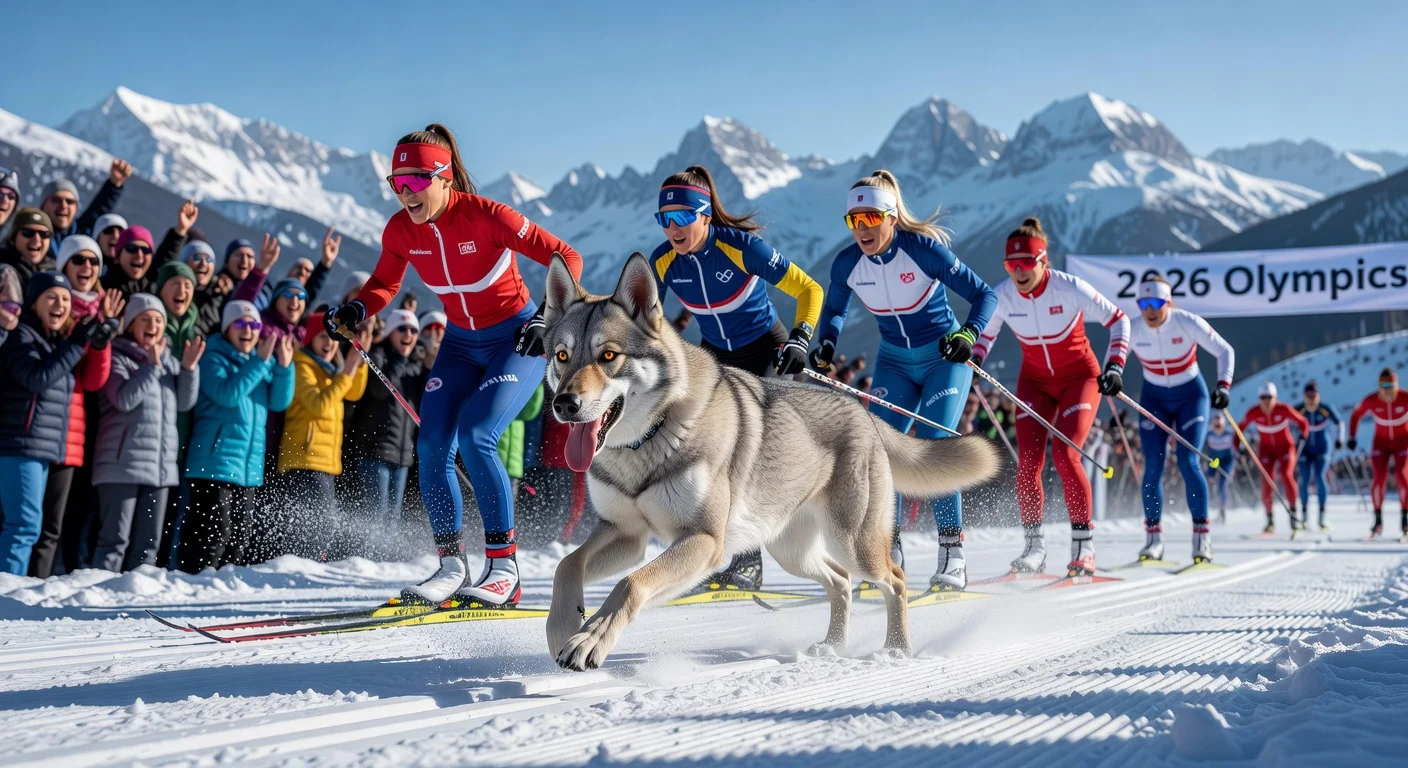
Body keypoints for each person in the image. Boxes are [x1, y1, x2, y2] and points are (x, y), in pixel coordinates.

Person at [324, 123, 582, 607]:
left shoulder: (489, 217)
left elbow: (566, 257)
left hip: (515, 339)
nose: (406, 193)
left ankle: (504, 568)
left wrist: (548, 320)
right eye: (397, 183)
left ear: (444, 179)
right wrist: (359, 308)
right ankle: (449, 565)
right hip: (461, 344)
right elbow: (384, 281)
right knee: (433, 440)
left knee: (477, 434)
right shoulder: (400, 230)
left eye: (417, 181)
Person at [810, 170, 997, 590]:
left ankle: (953, 554)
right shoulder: (847, 263)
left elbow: (986, 294)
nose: (862, 229)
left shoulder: (923, 251)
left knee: (934, 446)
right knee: (881, 451)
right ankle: (885, 554)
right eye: (853, 221)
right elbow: (835, 309)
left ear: (892, 218)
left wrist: (968, 335)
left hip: (942, 358)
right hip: (893, 360)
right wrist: (826, 342)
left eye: (871, 218)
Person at [649, 164, 823, 590]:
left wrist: (801, 340)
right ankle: (732, 556)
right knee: (708, 452)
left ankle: (783, 535)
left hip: (767, 349)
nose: (672, 228)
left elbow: (809, 291)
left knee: (753, 450)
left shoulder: (742, 248)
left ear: (704, 215)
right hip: (717, 359)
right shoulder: (663, 261)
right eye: (663, 219)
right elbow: (644, 320)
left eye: (680, 218)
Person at [972, 217, 1131, 576]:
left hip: (1080, 378)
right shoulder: (1003, 295)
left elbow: (1120, 320)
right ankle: (1034, 548)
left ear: (1043, 261)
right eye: (1011, 265)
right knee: (1028, 463)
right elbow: (986, 334)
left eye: (1026, 263)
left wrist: (1115, 366)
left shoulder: (1069, 287)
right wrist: (975, 360)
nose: (1019, 271)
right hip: (1035, 383)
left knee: (1065, 453)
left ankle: (1083, 549)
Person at [0, 273, 110, 574]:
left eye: (65, 298)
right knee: (22, 527)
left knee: (43, 530)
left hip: (54, 446)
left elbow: (91, 382)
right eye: (51, 296)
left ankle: (26, 597)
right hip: (20, 444)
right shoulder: (21, 335)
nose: (59, 303)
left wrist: (97, 344)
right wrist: (76, 343)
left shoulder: (59, 341)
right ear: (34, 303)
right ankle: (6, 596)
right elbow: (37, 378)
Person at [28, 237, 121, 577]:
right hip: (36, 425)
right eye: (78, 260)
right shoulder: (52, 311)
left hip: (79, 428)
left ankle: (51, 578)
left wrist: (102, 343)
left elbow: (94, 381)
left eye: (93, 262)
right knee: (26, 520)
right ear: (64, 266)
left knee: (60, 517)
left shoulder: (103, 312)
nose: (86, 268)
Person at [178, 301, 295, 571]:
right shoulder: (213, 357)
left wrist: (284, 368)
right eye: (241, 324)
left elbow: (279, 402)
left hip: (247, 468)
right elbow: (227, 395)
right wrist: (260, 362)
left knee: (239, 538)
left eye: (254, 325)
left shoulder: (257, 363)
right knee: (214, 534)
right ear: (227, 328)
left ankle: (222, 588)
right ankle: (195, 584)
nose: (249, 330)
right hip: (213, 464)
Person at [1126, 273, 1234, 565]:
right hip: (1154, 398)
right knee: (1153, 468)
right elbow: (1115, 356)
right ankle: (1153, 541)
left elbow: (1225, 350)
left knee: (1188, 461)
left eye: (1156, 302)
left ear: (1168, 302)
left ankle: (1202, 540)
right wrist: (1112, 374)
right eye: (1143, 302)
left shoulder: (1186, 322)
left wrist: (1223, 385)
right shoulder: (1133, 328)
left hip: (1191, 397)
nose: (1149, 309)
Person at [92, 294, 202, 572]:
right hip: (121, 466)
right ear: (130, 324)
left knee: (148, 545)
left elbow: (185, 403)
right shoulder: (118, 355)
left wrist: (189, 369)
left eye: (159, 320)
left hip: (160, 469)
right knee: (114, 542)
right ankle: (97, 600)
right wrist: (151, 367)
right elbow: (123, 399)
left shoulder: (168, 361)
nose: (153, 325)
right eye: (146, 319)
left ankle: (135, 603)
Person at [273, 311, 368, 558]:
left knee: (323, 526)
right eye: (323, 337)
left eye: (334, 338)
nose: (329, 343)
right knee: (315, 529)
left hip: (324, 459)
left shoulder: (330, 370)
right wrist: (347, 371)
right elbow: (318, 405)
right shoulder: (302, 365)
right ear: (311, 339)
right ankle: (303, 566)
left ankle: (309, 564)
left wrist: (357, 364)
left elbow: (353, 393)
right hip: (305, 459)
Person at [347, 309, 426, 543]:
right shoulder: (379, 356)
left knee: (392, 518)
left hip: (402, 455)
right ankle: (369, 560)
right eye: (402, 329)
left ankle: (384, 562)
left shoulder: (414, 366)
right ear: (391, 331)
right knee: (376, 514)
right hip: (375, 450)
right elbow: (379, 389)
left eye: (413, 330)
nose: (408, 334)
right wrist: (401, 360)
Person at [1238, 382, 1310, 533]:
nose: (1266, 401)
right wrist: (1239, 446)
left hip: (1285, 449)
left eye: (1269, 397)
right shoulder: (1254, 412)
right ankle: (1270, 520)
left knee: (1286, 475)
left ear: (1275, 397)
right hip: (1266, 451)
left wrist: (1303, 436)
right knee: (1268, 481)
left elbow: (1303, 422)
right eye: (1263, 397)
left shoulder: (1283, 409)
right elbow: (1240, 429)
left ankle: (1293, 514)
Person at [1348, 368, 1408, 538]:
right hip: (1380, 443)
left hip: (1402, 442)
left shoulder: (1404, 397)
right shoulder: (1372, 399)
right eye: (1384, 385)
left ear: (1397, 385)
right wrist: (1352, 436)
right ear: (1379, 386)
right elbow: (1356, 414)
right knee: (1379, 478)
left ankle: (1405, 519)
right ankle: (1378, 521)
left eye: (1391, 385)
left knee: (1402, 477)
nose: (1388, 390)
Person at [40, 160, 131, 258]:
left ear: (76, 208)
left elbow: (100, 208)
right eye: (56, 200)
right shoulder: (32, 235)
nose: (64, 206)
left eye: (70, 202)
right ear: (43, 204)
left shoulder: (80, 232)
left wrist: (114, 184)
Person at [1296, 381, 1343, 530]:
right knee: (1304, 478)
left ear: (1318, 396)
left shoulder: (1324, 408)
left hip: (1322, 447)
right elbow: (1285, 421)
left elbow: (1340, 422)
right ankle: (1303, 516)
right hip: (1304, 448)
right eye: (1308, 396)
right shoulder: (1299, 409)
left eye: (1314, 396)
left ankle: (1322, 517)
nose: (1311, 399)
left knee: (1319, 476)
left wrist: (1340, 439)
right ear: (1304, 396)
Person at [1, 208, 55, 291]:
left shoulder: (55, 271)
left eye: (44, 234)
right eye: (28, 232)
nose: (37, 239)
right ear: (13, 237)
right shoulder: (3, 270)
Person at [109, 226, 160, 301]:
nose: (139, 255)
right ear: (117, 257)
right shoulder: (105, 291)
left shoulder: (155, 291)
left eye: (146, 250)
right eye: (132, 248)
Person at [1204, 413, 1236, 524]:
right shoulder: (1209, 433)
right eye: (1215, 425)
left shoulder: (1229, 432)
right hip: (1214, 459)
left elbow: (1237, 444)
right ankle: (1210, 500)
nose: (1217, 428)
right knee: (1209, 479)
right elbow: (1204, 446)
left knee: (1222, 483)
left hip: (1227, 460)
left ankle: (1222, 508)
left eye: (1219, 426)